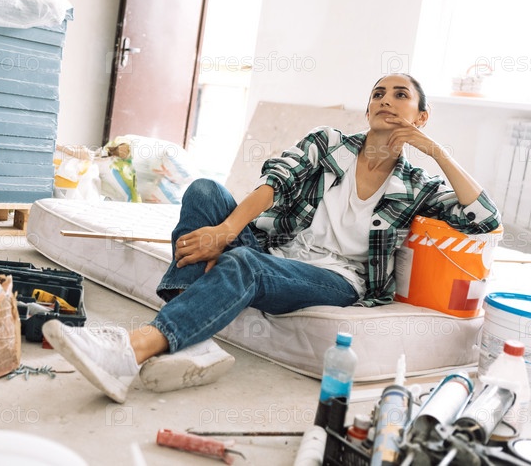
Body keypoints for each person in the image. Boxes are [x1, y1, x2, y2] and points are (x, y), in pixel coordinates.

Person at [42, 74, 502, 403]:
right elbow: (275, 183)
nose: (386, 100)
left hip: (336, 278)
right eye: (377, 94)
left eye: (400, 95)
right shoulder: (329, 143)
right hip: (276, 248)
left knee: (243, 264)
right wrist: (225, 231)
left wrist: (438, 152)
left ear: (421, 116)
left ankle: (131, 350)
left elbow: (483, 219)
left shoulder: (417, 185)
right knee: (204, 192)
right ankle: (193, 342)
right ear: (367, 110)